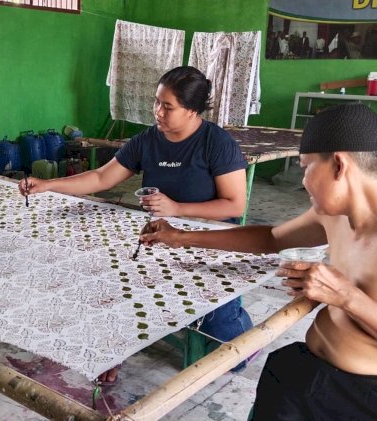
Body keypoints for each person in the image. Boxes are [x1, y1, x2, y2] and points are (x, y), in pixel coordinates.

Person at [140, 103, 377, 419]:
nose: (304, 181)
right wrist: (179, 237)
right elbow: (271, 238)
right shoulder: (335, 218)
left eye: (305, 167)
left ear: (339, 165)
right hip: (308, 376)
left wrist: (350, 299)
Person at [19, 66, 254, 383]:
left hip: (208, 240)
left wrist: (177, 207)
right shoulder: (148, 140)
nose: (158, 112)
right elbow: (102, 177)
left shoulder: (216, 143)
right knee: (117, 281)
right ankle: (115, 349)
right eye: (157, 102)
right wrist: (48, 185)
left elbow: (234, 204)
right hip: (161, 236)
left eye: (167, 106)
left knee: (227, 345)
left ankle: (237, 319)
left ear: (193, 110)